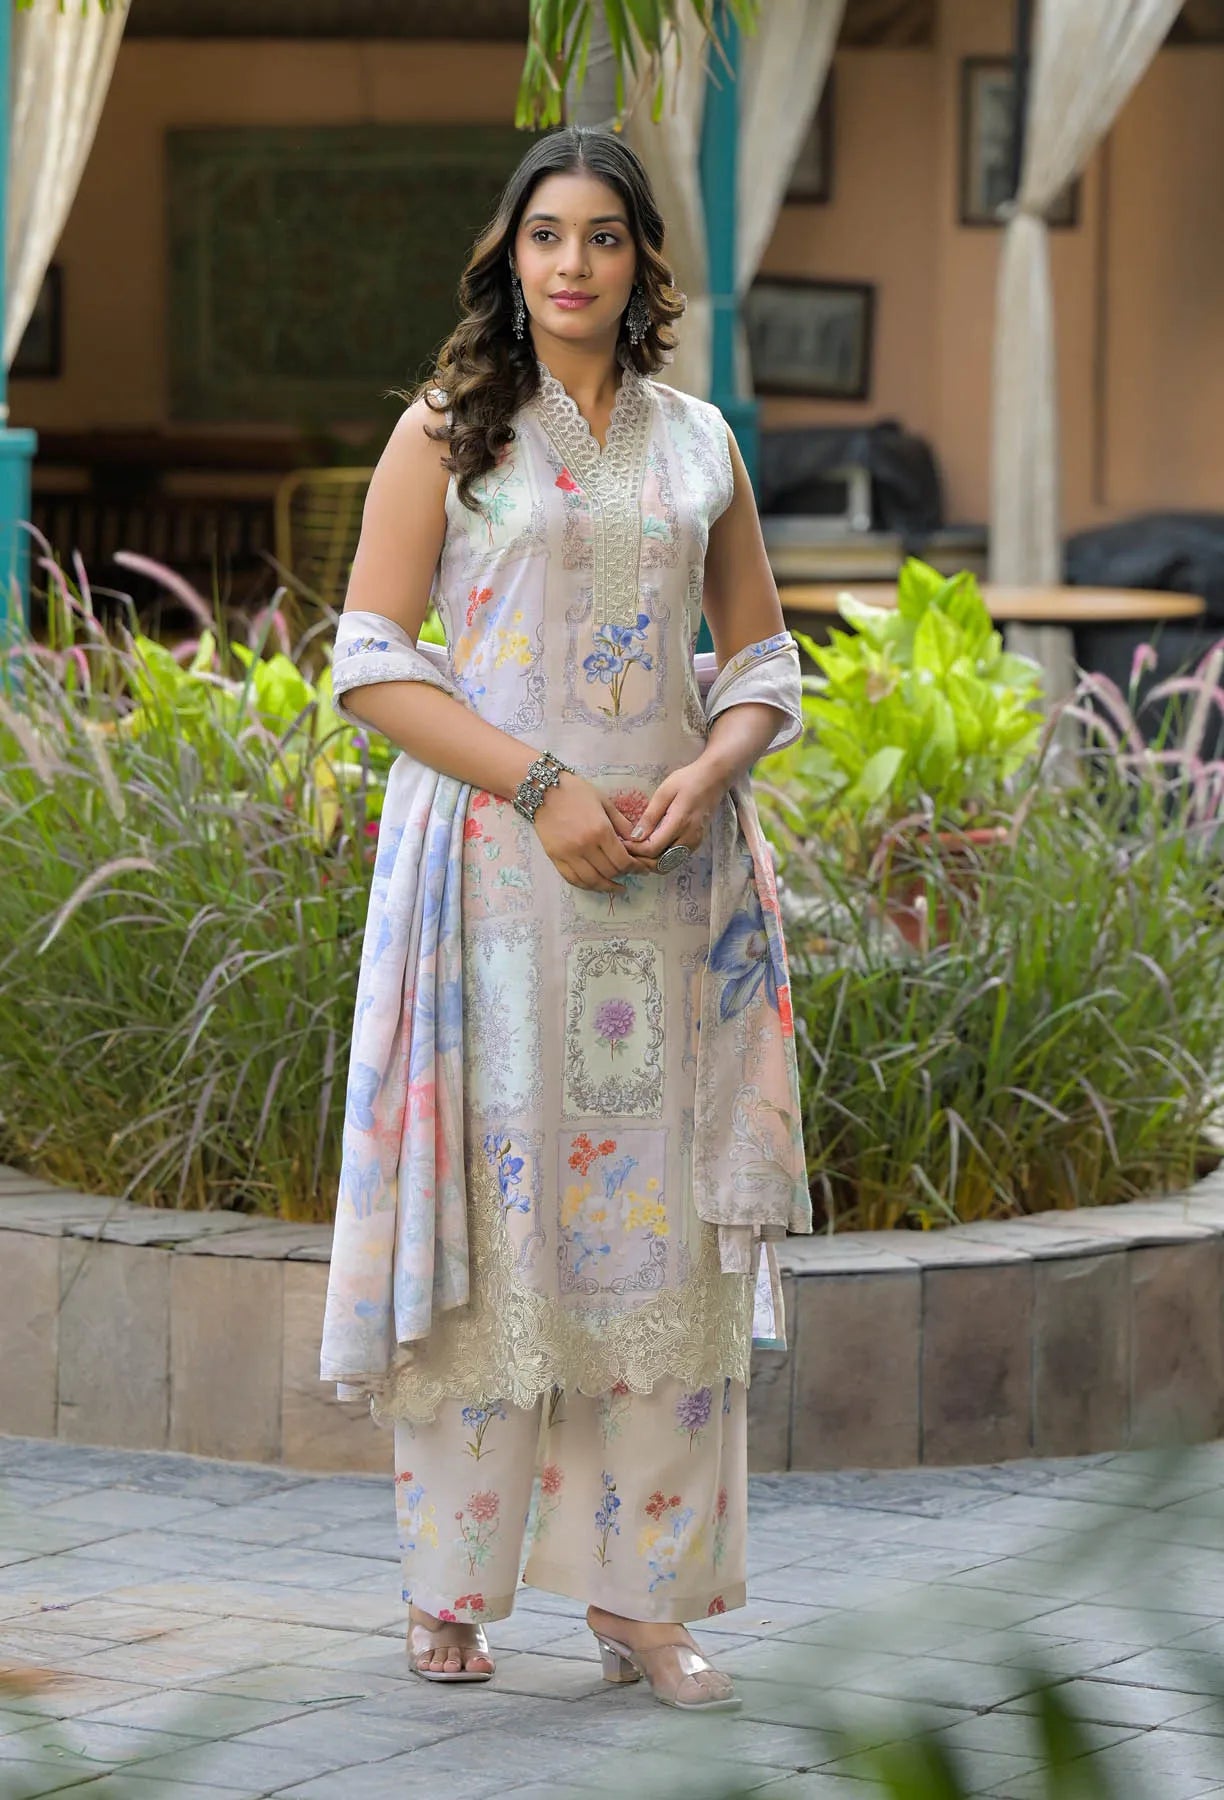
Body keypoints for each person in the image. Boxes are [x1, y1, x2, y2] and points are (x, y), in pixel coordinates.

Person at [320, 124, 811, 1713]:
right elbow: (372, 658)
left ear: (642, 263)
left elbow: (758, 665)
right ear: (510, 257)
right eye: (547, 237)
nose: (574, 264)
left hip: (672, 898)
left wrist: (708, 771)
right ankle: (449, 1588)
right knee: (496, 1227)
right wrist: (541, 786)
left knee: (650, 1245)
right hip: (495, 889)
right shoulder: (450, 435)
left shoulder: (697, 446)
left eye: (604, 237)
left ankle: (640, 1601)